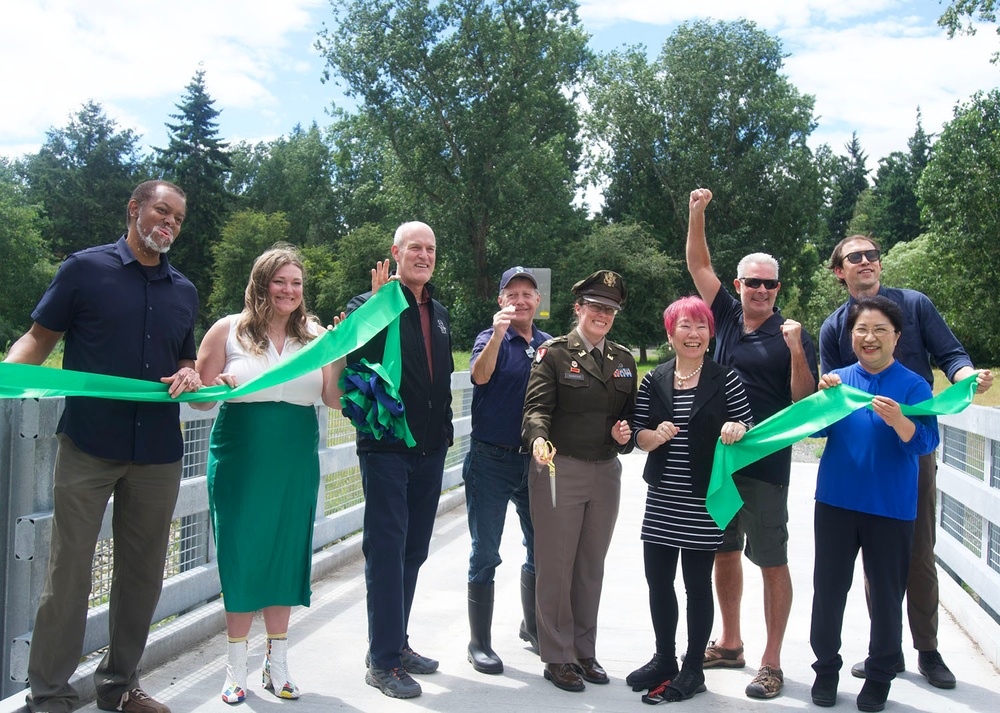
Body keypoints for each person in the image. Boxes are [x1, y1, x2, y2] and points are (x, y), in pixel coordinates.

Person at [3, 180, 200, 713]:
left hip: (157, 451)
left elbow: (186, 361)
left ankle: (120, 687)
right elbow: (38, 340)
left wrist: (189, 375)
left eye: (179, 219)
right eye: (162, 211)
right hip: (89, 443)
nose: (170, 223)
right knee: (69, 572)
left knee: (142, 576)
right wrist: (4, 380)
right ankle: (49, 694)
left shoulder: (184, 291)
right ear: (134, 208)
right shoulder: (83, 270)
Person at [820, 235, 994, 690]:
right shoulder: (836, 326)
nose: (865, 262)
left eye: (871, 255)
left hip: (911, 448)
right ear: (839, 271)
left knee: (915, 554)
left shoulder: (914, 306)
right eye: (853, 257)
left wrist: (965, 378)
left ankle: (928, 650)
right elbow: (828, 396)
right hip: (857, 462)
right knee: (874, 564)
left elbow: (952, 356)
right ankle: (887, 652)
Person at [191, 245, 346, 704]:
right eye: (280, 281)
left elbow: (334, 399)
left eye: (296, 282)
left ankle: (276, 664)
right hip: (241, 456)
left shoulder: (315, 335)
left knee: (284, 553)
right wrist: (213, 387)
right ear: (261, 283)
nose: (289, 290)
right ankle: (234, 668)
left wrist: (336, 351)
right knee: (241, 556)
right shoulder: (228, 330)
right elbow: (198, 400)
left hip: (295, 457)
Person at [685, 188, 818, 699]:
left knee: (771, 559)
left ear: (777, 286)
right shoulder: (726, 315)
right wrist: (697, 213)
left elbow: (804, 401)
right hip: (722, 458)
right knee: (723, 552)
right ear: (739, 284)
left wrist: (796, 353)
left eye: (769, 284)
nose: (761, 290)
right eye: (752, 283)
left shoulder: (791, 331)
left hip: (766, 461)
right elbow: (698, 263)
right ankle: (731, 642)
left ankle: (771, 661)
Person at [809, 296, 941, 712]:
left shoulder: (914, 385)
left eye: (880, 330)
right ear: (852, 337)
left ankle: (881, 675)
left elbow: (925, 442)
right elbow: (814, 433)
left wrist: (900, 420)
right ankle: (826, 669)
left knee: (886, 597)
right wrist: (822, 398)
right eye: (862, 330)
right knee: (828, 592)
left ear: (896, 337)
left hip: (890, 507)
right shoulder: (837, 381)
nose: (870, 338)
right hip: (835, 502)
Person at [344, 221, 454, 700]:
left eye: (430, 249)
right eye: (415, 247)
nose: (423, 255)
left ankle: (398, 642)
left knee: (413, 551)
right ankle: (382, 660)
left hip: (430, 450)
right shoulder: (368, 306)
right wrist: (374, 312)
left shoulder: (441, 311)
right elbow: (354, 365)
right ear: (396, 251)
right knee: (387, 553)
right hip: (388, 449)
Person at [626, 296, 754, 703]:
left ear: (710, 334)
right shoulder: (655, 378)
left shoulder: (725, 378)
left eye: (701, 326)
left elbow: (744, 422)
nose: (693, 334)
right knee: (658, 581)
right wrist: (653, 436)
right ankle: (664, 658)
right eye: (685, 326)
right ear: (670, 334)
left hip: (703, 499)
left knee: (697, 586)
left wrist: (736, 427)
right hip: (663, 497)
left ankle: (693, 667)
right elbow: (638, 434)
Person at [521, 270, 637, 693]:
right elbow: (536, 410)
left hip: (605, 472)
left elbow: (628, 419)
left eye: (609, 309)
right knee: (556, 564)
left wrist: (625, 436)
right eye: (595, 306)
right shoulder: (552, 354)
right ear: (578, 308)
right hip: (558, 468)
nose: (601, 314)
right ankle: (556, 656)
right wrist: (537, 440)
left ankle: (583, 651)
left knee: (590, 566)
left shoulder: (623, 361)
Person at [463, 266, 552, 674]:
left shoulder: (550, 344)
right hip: (491, 460)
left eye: (528, 293)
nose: (520, 299)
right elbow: (479, 376)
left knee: (541, 547)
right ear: (501, 301)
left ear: (538, 301)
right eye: (512, 293)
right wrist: (499, 335)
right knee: (486, 551)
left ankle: (532, 627)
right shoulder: (489, 337)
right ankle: (478, 642)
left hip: (534, 461)